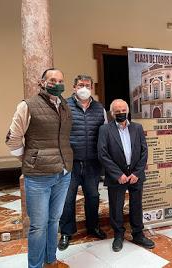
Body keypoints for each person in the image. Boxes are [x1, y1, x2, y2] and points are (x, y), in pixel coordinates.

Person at [6, 68, 72, 268]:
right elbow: (12, 139)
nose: (57, 83)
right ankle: (35, 266)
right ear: (42, 82)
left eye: (60, 80)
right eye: (52, 80)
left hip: (63, 173)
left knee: (54, 221)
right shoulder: (27, 106)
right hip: (38, 177)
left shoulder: (65, 105)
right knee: (38, 226)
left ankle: (50, 260)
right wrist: (28, 158)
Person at [58, 75, 108, 251]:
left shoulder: (99, 108)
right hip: (70, 163)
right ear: (74, 87)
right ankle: (66, 232)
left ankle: (93, 226)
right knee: (67, 199)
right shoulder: (63, 105)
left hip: (93, 163)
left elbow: (105, 133)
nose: (84, 88)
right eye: (80, 85)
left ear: (92, 88)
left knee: (93, 197)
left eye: (87, 85)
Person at [97, 99, 155, 252]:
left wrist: (137, 172)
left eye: (123, 110)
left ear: (128, 111)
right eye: (117, 111)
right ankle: (118, 235)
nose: (121, 113)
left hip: (136, 175)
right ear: (111, 113)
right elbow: (102, 154)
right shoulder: (105, 130)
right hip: (117, 177)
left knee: (136, 205)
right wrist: (117, 174)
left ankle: (138, 234)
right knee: (116, 207)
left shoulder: (137, 127)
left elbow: (144, 151)